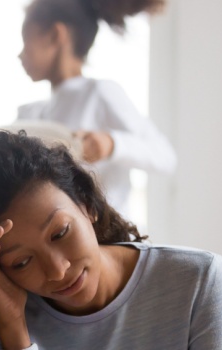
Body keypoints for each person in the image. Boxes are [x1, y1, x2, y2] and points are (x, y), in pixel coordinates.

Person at [0, 131, 222, 350]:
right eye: (21, 262)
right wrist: (13, 328)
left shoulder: (197, 281)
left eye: (60, 233)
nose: (57, 271)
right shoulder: (0, 320)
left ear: (88, 206)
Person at [16, 0, 177, 216]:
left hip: (110, 238)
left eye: (26, 41)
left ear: (56, 35)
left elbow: (164, 156)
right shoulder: (32, 114)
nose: (20, 55)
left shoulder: (99, 93)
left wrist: (111, 144)